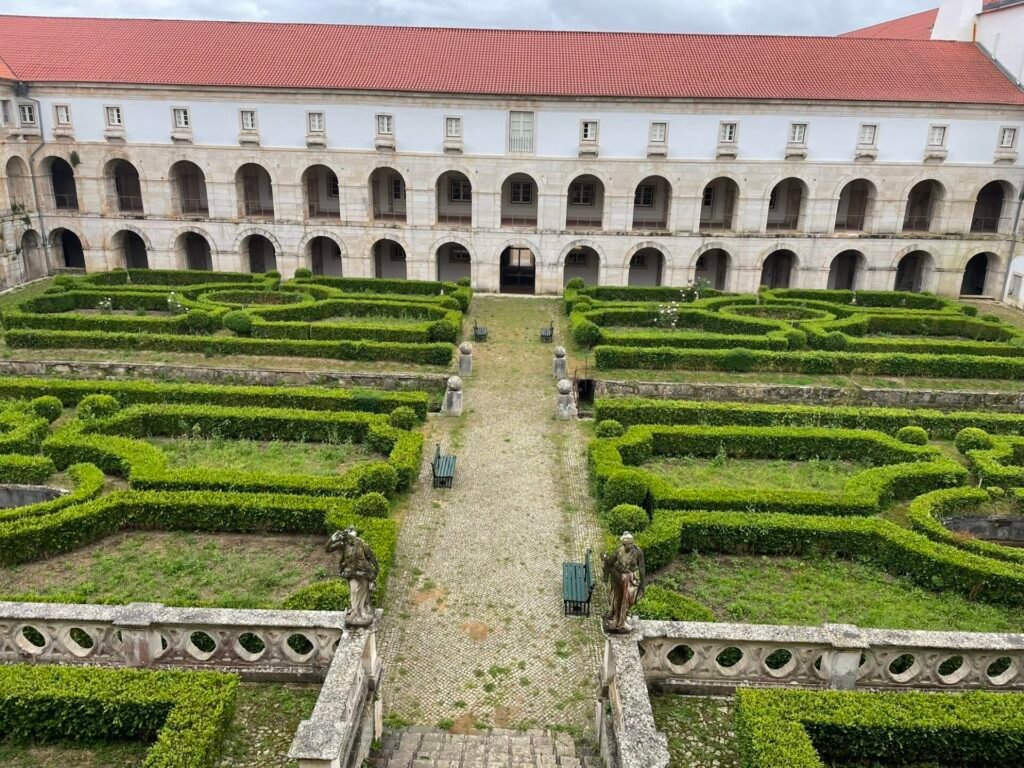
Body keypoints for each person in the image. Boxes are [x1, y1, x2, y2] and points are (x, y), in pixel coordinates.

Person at [326, 527, 379, 627]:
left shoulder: (362, 544)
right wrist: (332, 539)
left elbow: (370, 557)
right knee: (354, 590)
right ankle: (355, 611)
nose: (351, 539)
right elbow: (328, 549)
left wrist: (375, 570)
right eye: (349, 537)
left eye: (353, 537)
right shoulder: (344, 544)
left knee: (363, 593)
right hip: (351, 573)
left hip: (364, 573)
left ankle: (361, 611)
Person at [602, 532, 645, 634]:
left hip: (629, 579)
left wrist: (643, 583)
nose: (627, 546)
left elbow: (642, 567)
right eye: (625, 544)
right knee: (618, 599)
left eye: (629, 544)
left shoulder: (638, 552)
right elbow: (611, 562)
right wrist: (606, 574)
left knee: (628, 599)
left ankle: (623, 619)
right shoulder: (619, 550)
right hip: (618, 577)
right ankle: (617, 620)